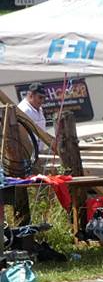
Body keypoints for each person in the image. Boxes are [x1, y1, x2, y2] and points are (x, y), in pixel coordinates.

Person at [12, 82, 48, 226]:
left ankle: (43, 214)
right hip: (29, 155)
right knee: (39, 186)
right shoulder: (24, 110)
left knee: (42, 186)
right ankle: (38, 216)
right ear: (30, 95)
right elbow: (23, 137)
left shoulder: (38, 109)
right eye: (40, 97)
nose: (42, 101)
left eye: (44, 98)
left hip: (38, 153)